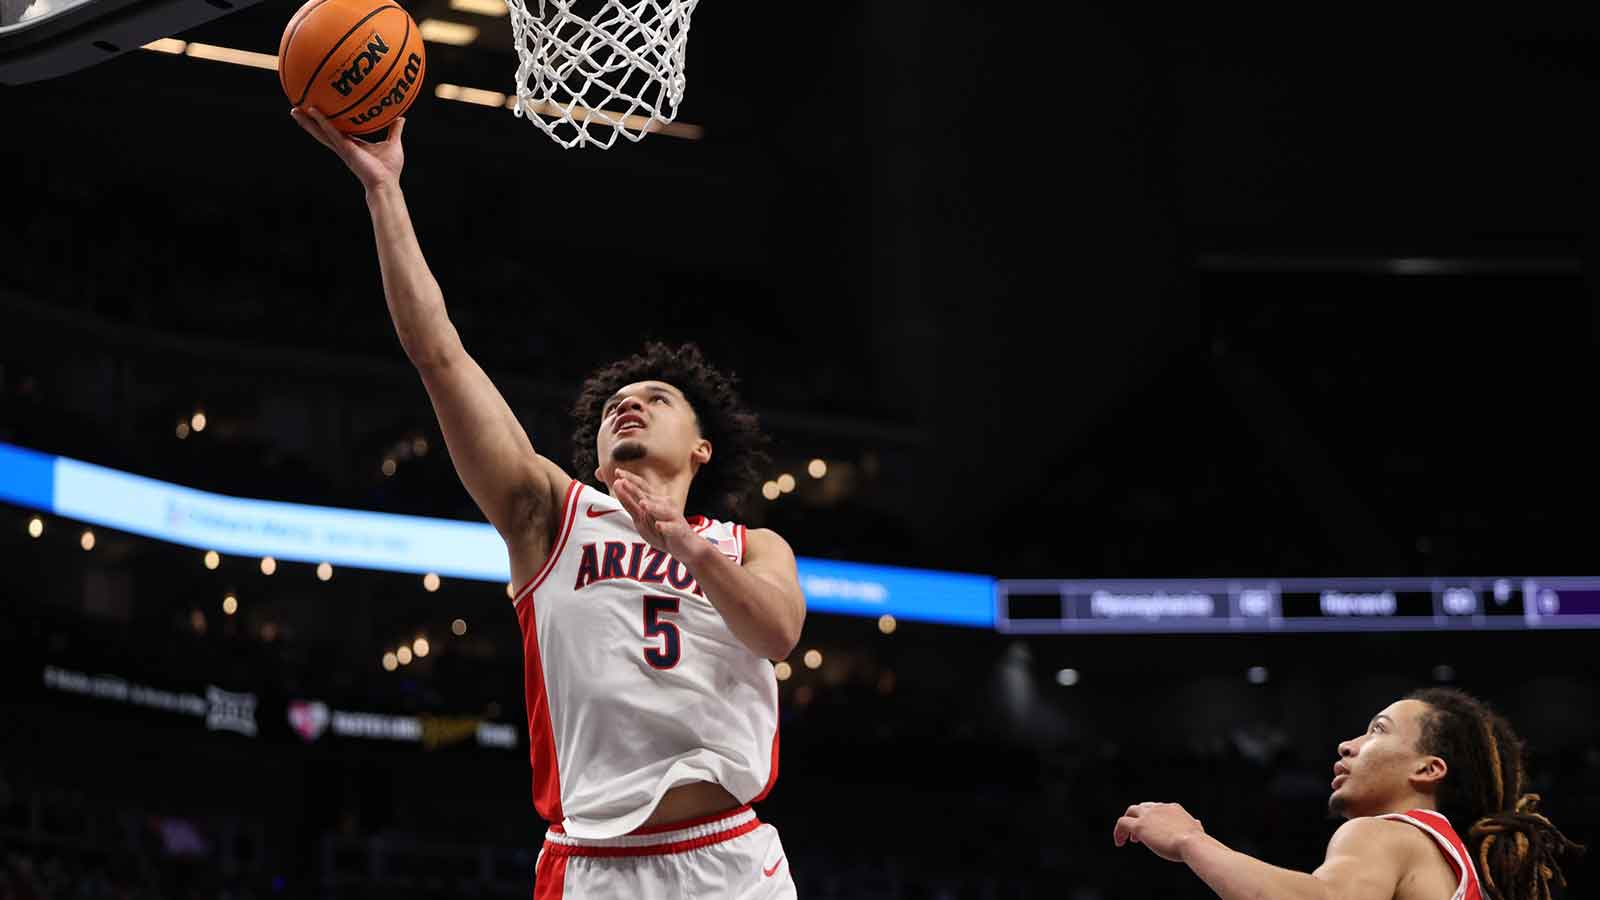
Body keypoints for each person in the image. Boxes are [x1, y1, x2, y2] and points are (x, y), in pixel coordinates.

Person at [289, 108, 804, 899]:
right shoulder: (550, 516)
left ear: (703, 448)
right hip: (594, 867)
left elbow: (778, 632)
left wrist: (688, 547)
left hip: (730, 860)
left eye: (655, 398)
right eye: (613, 405)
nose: (627, 406)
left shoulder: (750, 545)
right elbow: (439, 355)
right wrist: (385, 191)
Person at [1114, 688, 1582, 900]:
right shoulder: (1452, 863)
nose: (1348, 745)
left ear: (1428, 769)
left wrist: (1191, 841)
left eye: (1377, 730)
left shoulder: (1386, 835)